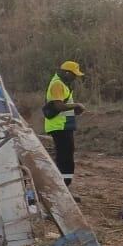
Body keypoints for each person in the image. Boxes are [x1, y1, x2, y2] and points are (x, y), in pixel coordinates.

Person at [43, 60, 85, 191]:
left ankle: (64, 185)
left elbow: (62, 106)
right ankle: (62, 186)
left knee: (66, 155)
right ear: (67, 73)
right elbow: (59, 106)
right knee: (65, 157)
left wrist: (73, 110)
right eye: (74, 74)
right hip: (59, 126)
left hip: (63, 125)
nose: (75, 77)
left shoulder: (62, 83)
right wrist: (76, 105)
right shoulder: (57, 84)